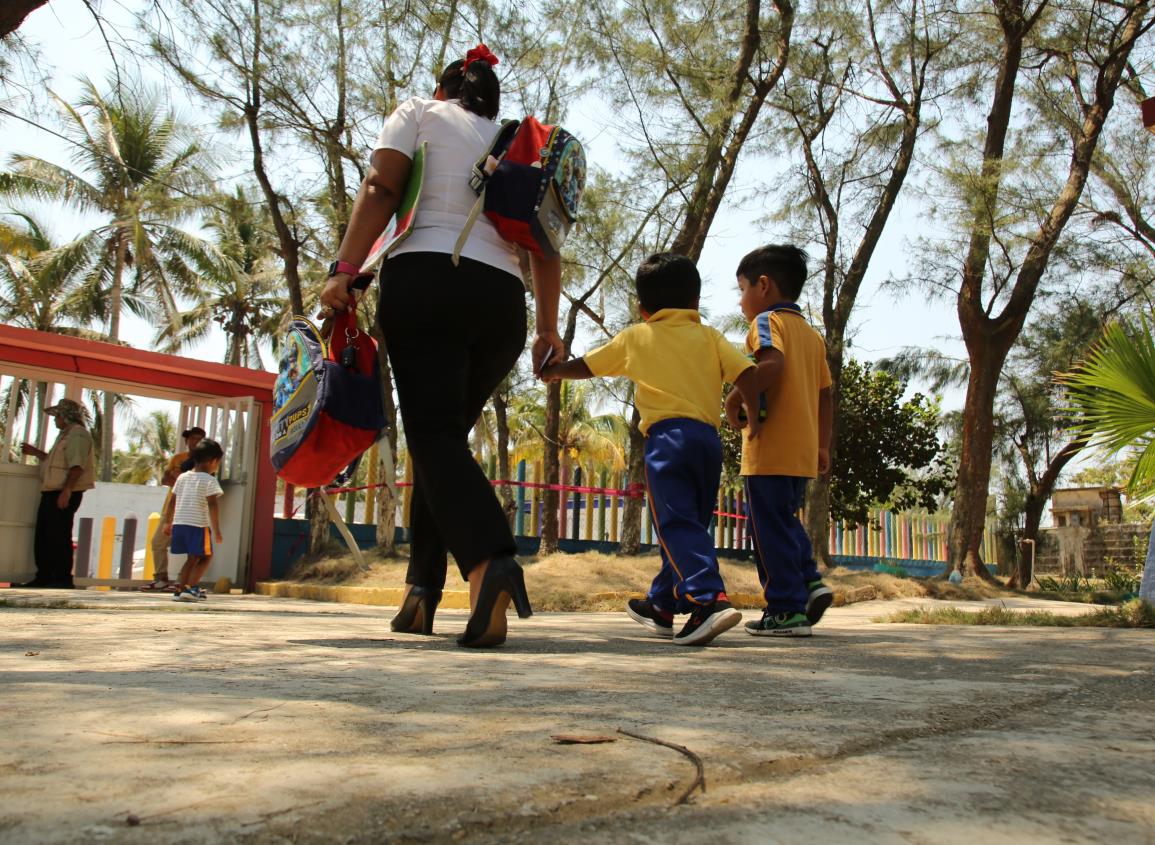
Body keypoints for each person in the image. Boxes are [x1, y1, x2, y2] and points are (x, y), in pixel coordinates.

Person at [319, 44, 563, 648]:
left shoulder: (419, 113)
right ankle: (421, 592)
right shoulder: (518, 144)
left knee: (431, 435)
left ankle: (490, 561)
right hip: (502, 305)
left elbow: (380, 186)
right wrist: (547, 330)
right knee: (443, 441)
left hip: (428, 282)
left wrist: (343, 267)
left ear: (446, 87)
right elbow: (546, 245)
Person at [541, 253, 764, 646]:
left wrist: (554, 371)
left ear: (643, 309)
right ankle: (663, 604)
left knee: (674, 524)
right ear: (695, 303)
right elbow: (747, 372)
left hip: (668, 441)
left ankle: (709, 598)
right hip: (707, 444)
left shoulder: (636, 337)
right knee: (688, 525)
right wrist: (753, 411)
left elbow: (588, 366)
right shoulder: (710, 336)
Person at [725, 244, 834, 637]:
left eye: (742, 290)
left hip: (769, 448)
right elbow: (825, 394)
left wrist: (735, 396)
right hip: (803, 449)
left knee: (765, 529)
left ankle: (785, 610)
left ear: (764, 286)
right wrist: (823, 445)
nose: (741, 303)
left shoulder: (767, 323)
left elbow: (772, 364)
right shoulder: (812, 336)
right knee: (783, 520)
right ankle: (808, 582)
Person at [16, 399, 96, 589]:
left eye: (57, 416)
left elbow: (76, 466)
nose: (55, 420)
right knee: (45, 535)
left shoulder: (77, 435)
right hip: (53, 491)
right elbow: (56, 461)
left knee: (58, 535)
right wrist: (36, 452)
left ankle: (61, 578)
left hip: (63, 491)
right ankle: (44, 576)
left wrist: (66, 491)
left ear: (66, 416)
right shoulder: (64, 436)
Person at [140, 426, 205, 592]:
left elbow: (200, 483)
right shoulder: (178, 458)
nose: (195, 442)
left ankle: (182, 582)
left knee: (189, 548)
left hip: (190, 510)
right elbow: (166, 479)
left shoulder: (205, 461)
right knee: (158, 542)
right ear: (186, 441)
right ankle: (161, 578)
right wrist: (178, 478)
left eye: (198, 439)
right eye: (192, 439)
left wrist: (180, 478)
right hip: (171, 505)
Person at [162, 438, 224, 603]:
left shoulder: (182, 478)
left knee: (191, 559)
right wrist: (216, 530)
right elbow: (213, 505)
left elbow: (172, 501)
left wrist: (167, 522)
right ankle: (190, 588)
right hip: (198, 526)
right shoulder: (210, 480)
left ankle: (181, 589)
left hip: (180, 524)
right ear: (212, 461)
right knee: (206, 557)